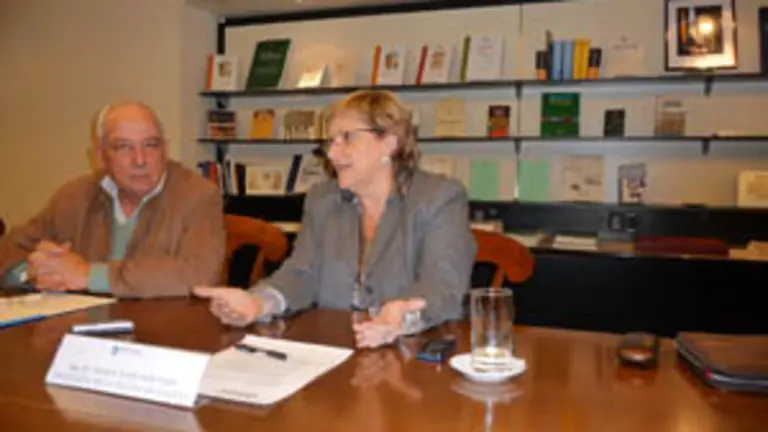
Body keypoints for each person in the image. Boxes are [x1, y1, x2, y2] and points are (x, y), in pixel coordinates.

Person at [194, 90, 476, 348]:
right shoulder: (322, 199)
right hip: (333, 352)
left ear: (389, 143)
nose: (331, 153)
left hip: (411, 358)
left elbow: (442, 285)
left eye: (347, 137)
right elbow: (301, 274)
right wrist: (258, 303)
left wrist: (401, 316)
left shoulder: (439, 197)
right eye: (330, 141)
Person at [0, 101, 226, 297]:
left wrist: (88, 275)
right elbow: (10, 251)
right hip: (86, 331)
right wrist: (34, 273)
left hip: (163, 334)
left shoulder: (198, 195)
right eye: (123, 147)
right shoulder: (75, 196)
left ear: (165, 150)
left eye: (150, 145)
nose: (140, 160)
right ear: (100, 157)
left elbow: (199, 274)